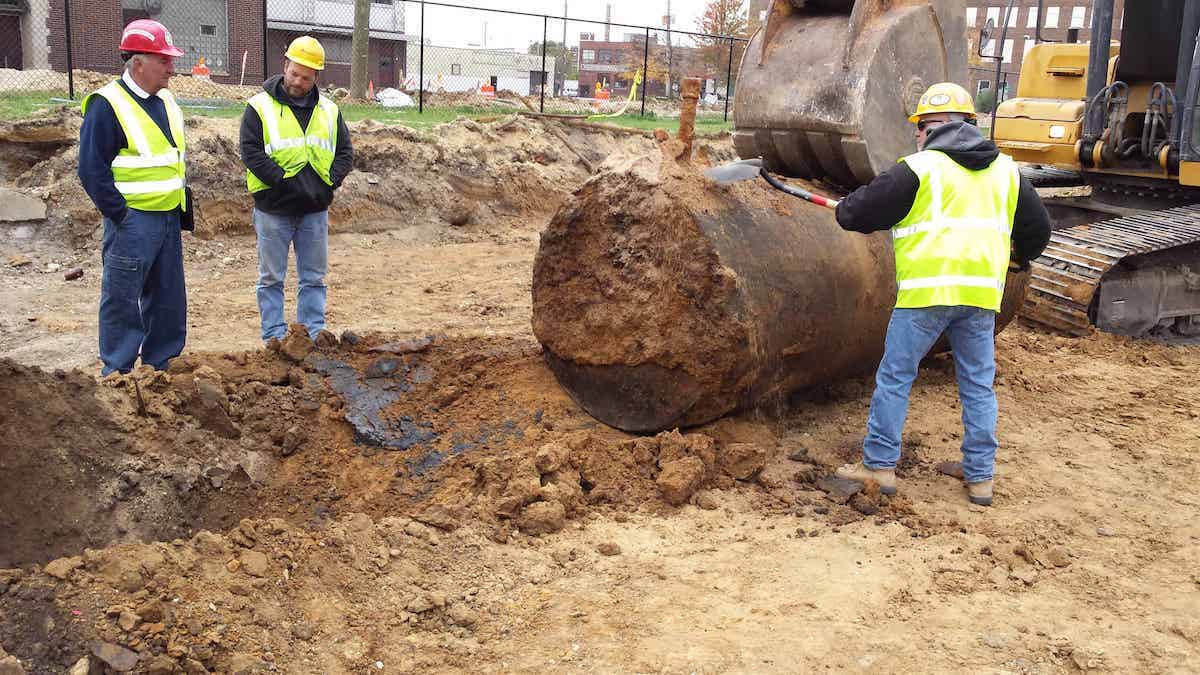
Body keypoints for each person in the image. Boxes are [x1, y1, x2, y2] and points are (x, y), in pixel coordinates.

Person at [832, 82, 1051, 506]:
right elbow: (1038, 229)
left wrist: (844, 210)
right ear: (970, 123)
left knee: (896, 378)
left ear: (932, 128)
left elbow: (858, 212)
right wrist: (1019, 259)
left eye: (920, 127)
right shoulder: (1006, 171)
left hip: (924, 297)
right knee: (977, 385)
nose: (917, 135)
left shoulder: (919, 168)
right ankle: (980, 478)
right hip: (982, 299)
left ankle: (879, 467)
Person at [78, 19, 190, 375]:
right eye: (164, 60)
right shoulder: (107, 104)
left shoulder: (166, 101)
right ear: (138, 62)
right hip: (133, 220)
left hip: (168, 215)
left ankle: (161, 364)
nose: (172, 68)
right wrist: (120, 215)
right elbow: (91, 170)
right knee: (122, 298)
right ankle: (118, 372)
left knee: (168, 297)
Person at [239, 35, 353, 345]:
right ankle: (274, 338)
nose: (297, 81)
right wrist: (283, 182)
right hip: (274, 208)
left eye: (305, 77)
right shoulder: (259, 107)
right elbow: (251, 153)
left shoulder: (329, 110)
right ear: (285, 65)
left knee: (313, 278)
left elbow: (344, 153)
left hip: (314, 209)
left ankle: (311, 335)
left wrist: (328, 182)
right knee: (271, 278)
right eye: (294, 73)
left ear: (316, 77)